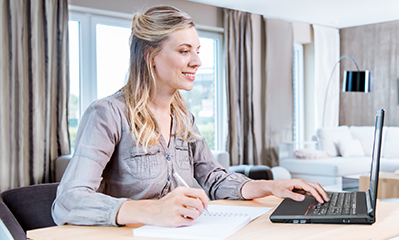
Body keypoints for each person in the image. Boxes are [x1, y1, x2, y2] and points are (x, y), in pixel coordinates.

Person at [51, 5, 329, 227]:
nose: (197, 61)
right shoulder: (107, 113)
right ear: (151, 57)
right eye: (184, 51)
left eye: (197, 51)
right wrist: (152, 210)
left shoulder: (184, 116)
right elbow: (68, 201)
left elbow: (214, 178)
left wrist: (272, 186)